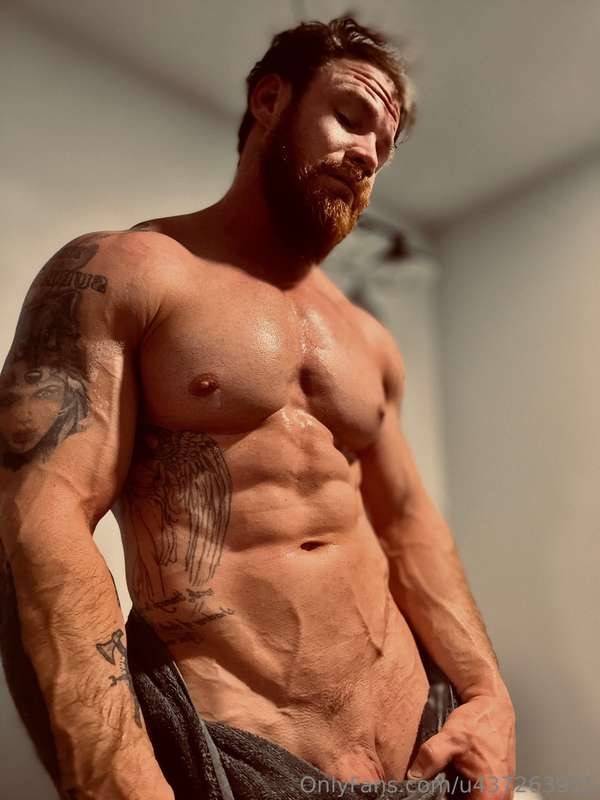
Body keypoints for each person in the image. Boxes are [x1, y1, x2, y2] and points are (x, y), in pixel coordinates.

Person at [0, 16, 516, 800]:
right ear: (270, 100)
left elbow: (410, 523)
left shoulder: (370, 340)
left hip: (426, 744)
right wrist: (115, 780)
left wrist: (488, 696)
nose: (368, 153)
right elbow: (40, 519)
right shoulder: (127, 273)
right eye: (350, 115)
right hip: (244, 760)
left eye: (384, 146)